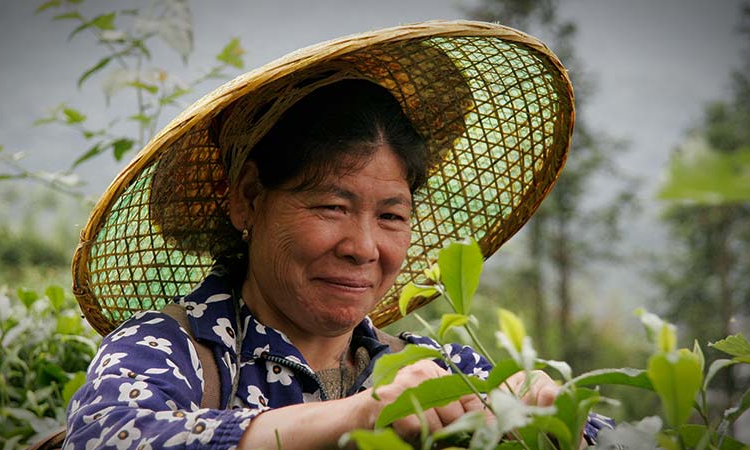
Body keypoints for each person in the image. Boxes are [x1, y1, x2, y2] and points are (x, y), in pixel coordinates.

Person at [65, 21, 612, 449]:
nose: (363, 247)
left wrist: (553, 417)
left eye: (392, 217)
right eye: (332, 206)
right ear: (248, 198)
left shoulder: (435, 368)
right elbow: (107, 438)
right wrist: (361, 414)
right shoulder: (173, 349)